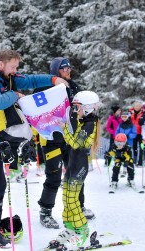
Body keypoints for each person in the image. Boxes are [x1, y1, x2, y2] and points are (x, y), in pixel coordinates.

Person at [0, 50, 69, 251]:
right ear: (1, 64)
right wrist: (15, 94)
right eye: (13, 67)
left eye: (16, 68)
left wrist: (54, 79)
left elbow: (30, 80)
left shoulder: (5, 79)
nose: (15, 71)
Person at [34, 57, 94, 229]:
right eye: (64, 68)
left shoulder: (74, 87)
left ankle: (78, 207)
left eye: (69, 67)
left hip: (71, 139)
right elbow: (34, 112)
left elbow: (83, 110)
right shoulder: (44, 87)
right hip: (51, 140)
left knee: (76, 174)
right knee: (53, 176)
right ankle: (45, 212)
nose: (68, 70)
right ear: (55, 71)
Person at [54, 90, 100, 249]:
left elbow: (75, 144)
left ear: (87, 108)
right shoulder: (83, 121)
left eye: (77, 108)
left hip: (79, 166)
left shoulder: (89, 124)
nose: (74, 111)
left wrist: (65, 128)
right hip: (72, 164)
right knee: (66, 198)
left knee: (73, 201)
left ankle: (83, 231)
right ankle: (70, 228)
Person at [115, 112, 137, 176]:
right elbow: (116, 132)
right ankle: (117, 168)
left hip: (128, 142)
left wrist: (128, 136)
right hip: (120, 143)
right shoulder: (120, 125)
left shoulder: (132, 125)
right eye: (122, 117)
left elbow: (134, 133)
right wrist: (119, 136)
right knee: (119, 155)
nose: (124, 118)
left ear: (128, 117)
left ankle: (125, 168)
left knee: (127, 156)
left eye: (125, 117)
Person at [129, 101, 144, 166]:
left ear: (140, 107)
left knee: (141, 148)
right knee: (134, 147)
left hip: (141, 133)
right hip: (134, 133)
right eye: (135, 106)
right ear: (134, 107)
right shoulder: (131, 114)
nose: (137, 107)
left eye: (138, 106)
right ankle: (134, 161)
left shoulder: (143, 113)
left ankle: (140, 162)